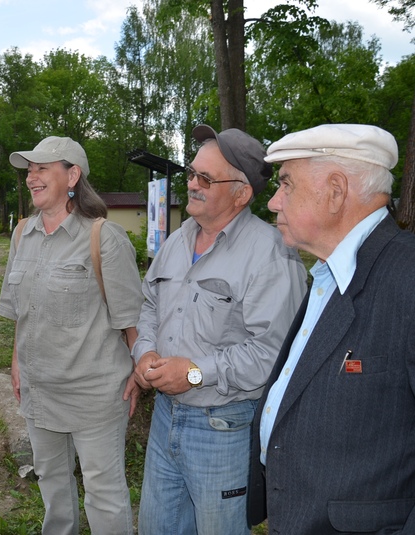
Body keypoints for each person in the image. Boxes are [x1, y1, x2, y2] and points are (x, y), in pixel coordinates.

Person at [133, 125, 307, 535]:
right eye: (191, 174)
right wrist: (143, 352)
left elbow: (273, 353)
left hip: (222, 426)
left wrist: (193, 373)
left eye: (205, 179)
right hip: (164, 417)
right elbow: (149, 305)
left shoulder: (272, 253)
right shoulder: (177, 240)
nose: (191, 184)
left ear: (241, 193)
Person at [247, 124, 415, 534]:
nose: (273, 202)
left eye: (286, 184)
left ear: (336, 191)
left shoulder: (406, 276)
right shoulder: (328, 273)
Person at [0, 136, 144, 534]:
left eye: (42, 168)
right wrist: (16, 364)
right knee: (53, 486)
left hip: (94, 395)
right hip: (39, 391)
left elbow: (133, 320)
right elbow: (21, 313)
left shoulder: (103, 238)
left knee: (104, 493)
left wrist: (138, 371)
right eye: (30, 170)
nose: (31, 177)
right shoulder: (21, 234)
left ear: (73, 175)